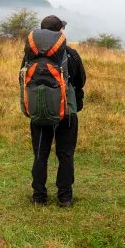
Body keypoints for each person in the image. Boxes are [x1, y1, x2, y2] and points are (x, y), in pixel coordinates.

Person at [30, 15, 86, 207]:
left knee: (40, 154)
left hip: (39, 112)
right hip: (67, 112)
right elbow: (81, 81)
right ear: (60, 31)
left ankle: (39, 196)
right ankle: (65, 197)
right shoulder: (71, 54)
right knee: (65, 154)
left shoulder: (31, 55)